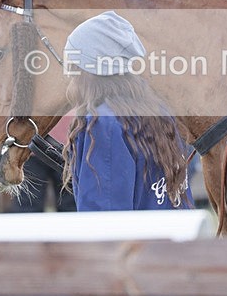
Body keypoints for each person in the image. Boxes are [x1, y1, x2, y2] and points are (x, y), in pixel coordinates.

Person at [61, 11, 193, 211]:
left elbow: (105, 221)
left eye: (73, 70)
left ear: (89, 74)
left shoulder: (103, 125)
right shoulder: (158, 110)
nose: (70, 82)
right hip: (173, 240)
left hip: (138, 243)